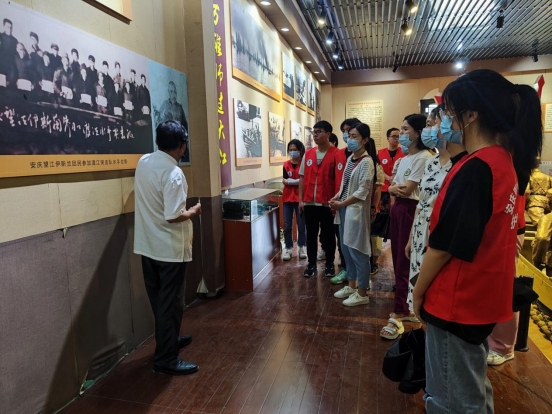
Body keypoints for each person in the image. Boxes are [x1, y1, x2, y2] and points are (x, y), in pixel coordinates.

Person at [412, 69, 542, 413]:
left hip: (456, 300)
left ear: (470, 115)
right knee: (471, 389)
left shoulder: (477, 168)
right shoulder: (502, 161)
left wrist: (418, 292)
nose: (444, 121)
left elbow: (445, 247)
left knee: (451, 399)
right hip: (480, 298)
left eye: (448, 113)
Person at [134, 120, 201, 376]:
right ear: (182, 146)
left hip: (148, 245)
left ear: (157, 141)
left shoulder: (144, 162)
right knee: (170, 304)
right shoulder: (173, 173)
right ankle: (166, 359)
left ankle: (169, 340)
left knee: (159, 301)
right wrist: (194, 210)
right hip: (169, 250)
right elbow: (173, 215)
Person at [404, 107, 467, 319]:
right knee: (417, 285)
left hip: (439, 232)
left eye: (431, 125)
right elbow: (421, 201)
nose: (428, 130)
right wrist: (412, 237)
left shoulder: (461, 164)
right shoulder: (431, 162)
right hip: (420, 229)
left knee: (434, 292)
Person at [380, 114, 431, 339]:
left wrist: (393, 188)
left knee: (405, 260)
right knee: (399, 259)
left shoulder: (423, 157)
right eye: (400, 129)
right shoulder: (404, 159)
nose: (401, 134)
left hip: (411, 210)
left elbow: (406, 189)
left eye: (405, 129)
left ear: (418, 133)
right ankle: (406, 306)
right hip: (399, 209)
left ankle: (400, 311)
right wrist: (394, 189)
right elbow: (393, 186)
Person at [330, 123, 374, 306]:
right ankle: (352, 285)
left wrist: (341, 203)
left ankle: (362, 293)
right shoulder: (351, 159)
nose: (350, 139)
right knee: (346, 250)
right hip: (344, 209)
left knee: (359, 251)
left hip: (355, 211)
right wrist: (337, 196)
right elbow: (345, 185)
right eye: (349, 136)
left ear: (365, 140)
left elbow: (362, 192)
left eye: (354, 136)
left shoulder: (367, 162)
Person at [487, 190, 527, 366]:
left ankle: (503, 346)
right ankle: (493, 339)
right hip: (498, 223)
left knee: (505, 284)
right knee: (493, 284)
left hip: (509, 225)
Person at [299, 120, 338, 277]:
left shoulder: (337, 154)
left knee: (329, 235)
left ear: (328, 134)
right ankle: (311, 264)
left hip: (328, 202)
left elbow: (340, 180)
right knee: (311, 234)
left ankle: (329, 264)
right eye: (314, 132)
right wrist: (301, 200)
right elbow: (302, 177)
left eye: (319, 132)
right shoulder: (308, 154)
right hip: (310, 202)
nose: (315, 135)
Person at [330, 117, 360, 285]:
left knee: (357, 242)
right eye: (343, 131)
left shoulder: (365, 156)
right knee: (342, 240)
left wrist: (374, 206)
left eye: (349, 130)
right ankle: (347, 270)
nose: (346, 134)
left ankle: (360, 276)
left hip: (356, 205)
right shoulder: (339, 153)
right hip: (339, 203)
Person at [282, 139, 307, 261]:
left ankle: (301, 247)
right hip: (287, 198)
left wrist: (291, 182)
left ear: (300, 150)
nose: (292, 152)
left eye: (295, 150)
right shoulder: (286, 164)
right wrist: (297, 181)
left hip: (300, 198)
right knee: (287, 225)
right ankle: (288, 248)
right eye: (290, 150)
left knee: (301, 225)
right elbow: (284, 180)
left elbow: (304, 181)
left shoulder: (304, 163)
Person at [367, 137, 384, 275]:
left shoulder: (376, 166)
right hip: (360, 206)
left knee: (374, 236)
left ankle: (374, 263)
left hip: (372, 206)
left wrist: (374, 206)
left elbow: (378, 189)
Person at [378, 128, 405, 211]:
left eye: (398, 136)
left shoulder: (404, 153)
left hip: (398, 186)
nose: (396, 139)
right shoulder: (380, 153)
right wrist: (388, 177)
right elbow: (378, 168)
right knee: (383, 212)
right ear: (388, 138)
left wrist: (394, 178)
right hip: (384, 187)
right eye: (394, 136)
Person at [0, 19, 18, 85]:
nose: (10, 29)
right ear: (4, 26)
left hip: (10, 67)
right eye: (8, 27)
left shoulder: (15, 40)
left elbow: (16, 56)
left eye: (11, 27)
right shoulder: (0, 37)